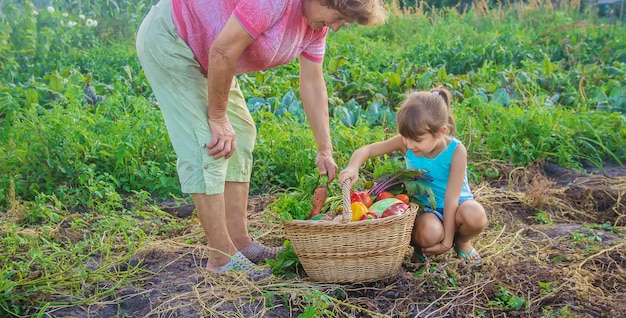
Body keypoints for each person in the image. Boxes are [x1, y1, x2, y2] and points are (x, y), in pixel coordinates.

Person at [136, 0, 386, 273]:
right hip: (173, 39)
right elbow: (223, 50)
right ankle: (221, 257)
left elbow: (313, 83)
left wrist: (324, 149)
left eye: (344, 23)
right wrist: (218, 118)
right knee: (207, 140)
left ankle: (241, 242)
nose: (337, 27)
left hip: (213, 55)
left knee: (241, 132)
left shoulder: (316, 28)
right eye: (338, 17)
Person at [338, 87, 487, 266]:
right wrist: (353, 167)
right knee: (428, 233)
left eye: (417, 140)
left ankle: (461, 242)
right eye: (405, 137)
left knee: (475, 215)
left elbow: (451, 198)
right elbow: (368, 150)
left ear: (441, 131)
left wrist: (447, 242)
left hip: (457, 206)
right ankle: (421, 246)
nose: (409, 144)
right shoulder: (406, 143)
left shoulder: (456, 151)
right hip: (428, 210)